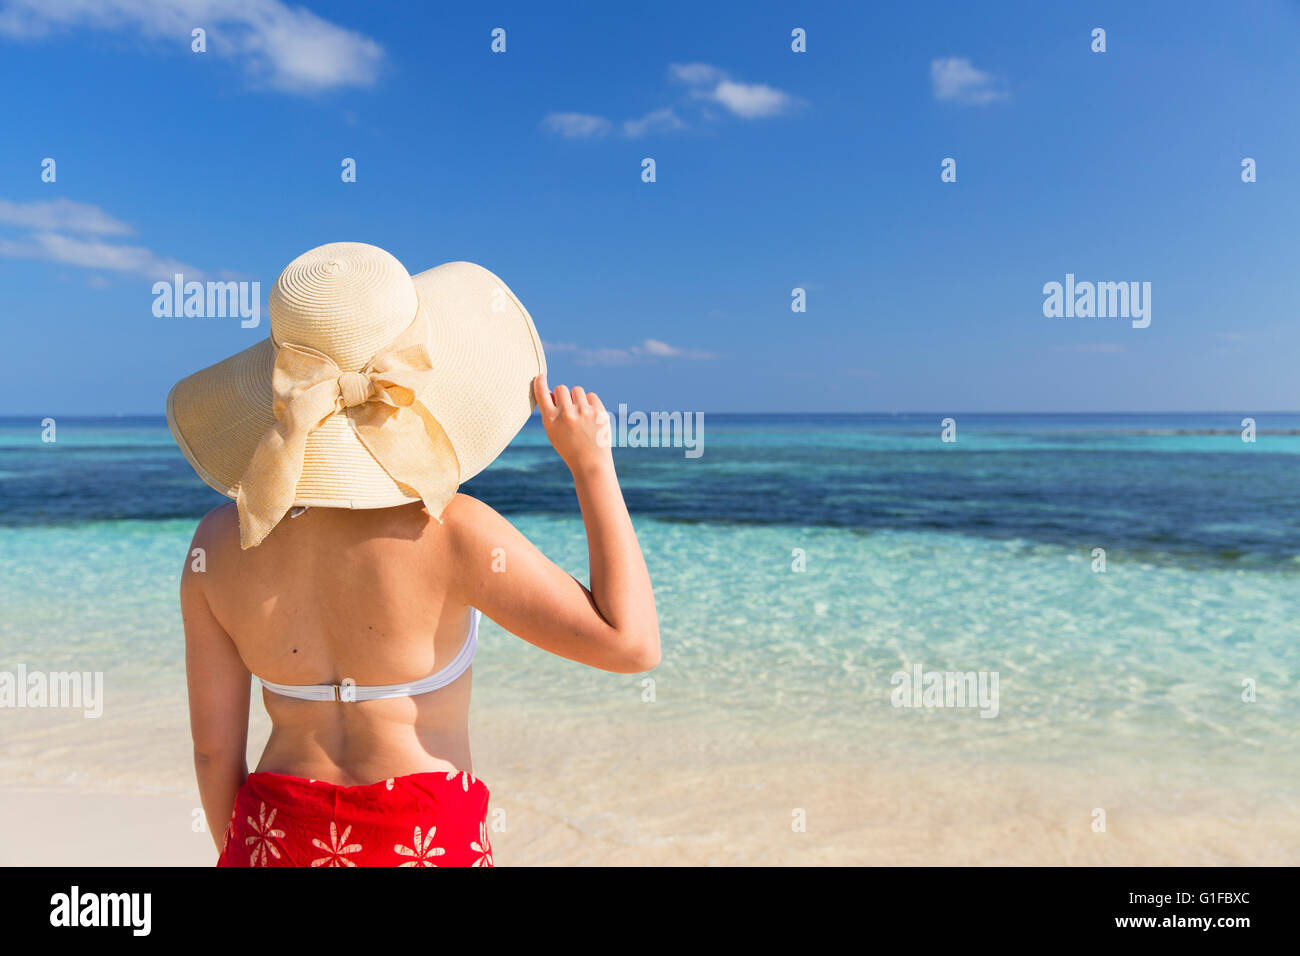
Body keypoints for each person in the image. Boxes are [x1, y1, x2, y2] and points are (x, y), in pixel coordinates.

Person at [169, 242, 659, 866]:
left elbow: (214, 749)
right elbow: (631, 643)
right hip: (423, 839)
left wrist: (248, 852)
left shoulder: (220, 542)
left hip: (274, 830)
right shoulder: (455, 532)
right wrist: (591, 465)